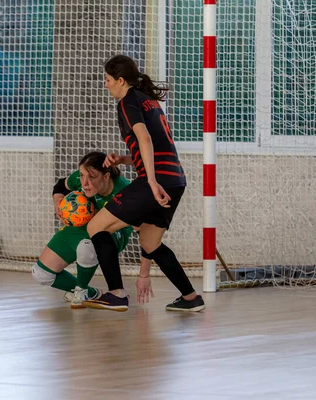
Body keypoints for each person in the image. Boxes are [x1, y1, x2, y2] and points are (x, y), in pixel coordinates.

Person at [83, 54, 205, 313]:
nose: (105, 85)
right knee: (150, 243)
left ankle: (116, 293)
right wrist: (124, 160)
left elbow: (146, 139)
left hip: (158, 180)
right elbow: (152, 145)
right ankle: (191, 297)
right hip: (175, 180)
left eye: (107, 80)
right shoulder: (147, 100)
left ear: (120, 80)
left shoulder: (127, 100)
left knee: (95, 226)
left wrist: (149, 180)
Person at [32, 151, 150, 309]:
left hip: (112, 235)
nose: (85, 183)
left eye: (92, 177)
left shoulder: (124, 192)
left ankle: (80, 291)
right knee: (41, 274)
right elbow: (60, 185)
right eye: (82, 176)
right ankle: (91, 293)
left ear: (106, 177)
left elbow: (145, 233)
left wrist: (144, 274)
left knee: (86, 247)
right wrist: (58, 202)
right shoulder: (82, 178)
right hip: (79, 227)